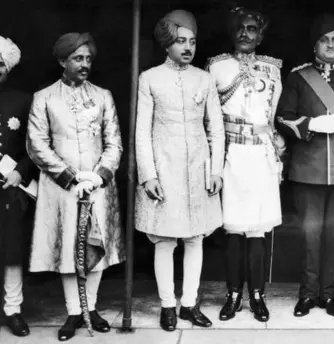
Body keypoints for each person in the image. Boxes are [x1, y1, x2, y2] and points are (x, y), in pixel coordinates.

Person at [27, 32, 124, 341]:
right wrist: (71, 178)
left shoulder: (104, 95)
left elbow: (115, 143)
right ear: (62, 61)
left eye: (88, 59)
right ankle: (74, 312)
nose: (85, 64)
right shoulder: (44, 98)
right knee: (69, 249)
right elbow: (37, 145)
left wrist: (98, 176)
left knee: (96, 246)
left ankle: (91, 309)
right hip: (62, 188)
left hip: (98, 187)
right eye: (78, 59)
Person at [276, 13, 334, 318]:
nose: (330, 45)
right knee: (310, 235)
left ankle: (329, 295)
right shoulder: (298, 77)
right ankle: (307, 294)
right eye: (324, 39)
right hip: (309, 169)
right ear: (314, 45)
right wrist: (312, 124)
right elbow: (283, 118)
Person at [135, 10, 225, 332]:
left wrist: (216, 170)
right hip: (164, 168)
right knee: (164, 240)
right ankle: (167, 305)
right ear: (166, 43)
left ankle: (189, 303)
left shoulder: (204, 78)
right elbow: (142, 132)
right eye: (180, 41)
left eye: (192, 41)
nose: (187, 47)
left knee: (195, 238)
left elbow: (216, 129)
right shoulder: (150, 78)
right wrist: (149, 175)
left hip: (198, 169)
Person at [206, 6, 285, 323]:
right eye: (240, 27)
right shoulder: (217, 67)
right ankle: (233, 295)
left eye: (252, 29)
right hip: (232, 154)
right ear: (232, 31)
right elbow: (209, 118)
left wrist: (279, 148)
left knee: (258, 230)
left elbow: (274, 113)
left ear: (260, 35)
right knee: (235, 230)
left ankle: (257, 295)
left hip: (262, 155)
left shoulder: (273, 68)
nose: (245, 33)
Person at [0, 35, 37, 337]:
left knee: (11, 248)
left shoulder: (22, 100)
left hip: (10, 188)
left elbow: (34, 146)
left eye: (1, 63)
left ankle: (13, 309)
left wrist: (20, 173)